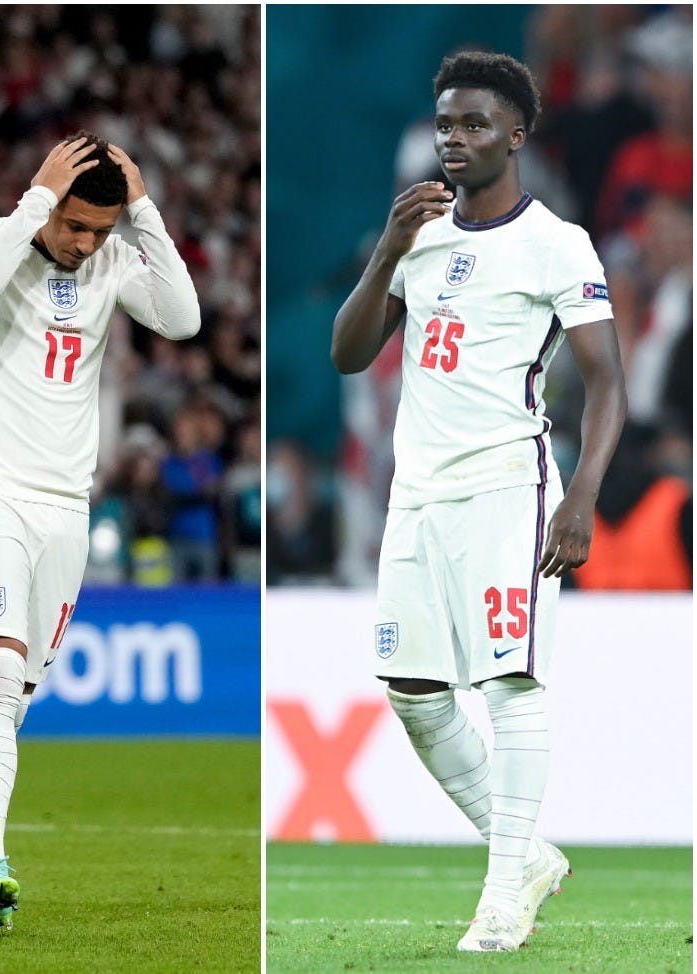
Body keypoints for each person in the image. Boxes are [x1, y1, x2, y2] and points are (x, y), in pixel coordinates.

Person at [331, 53, 627, 952]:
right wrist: (387, 249)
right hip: (417, 494)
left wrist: (579, 497)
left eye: (473, 125)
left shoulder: (557, 243)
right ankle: (528, 851)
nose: (453, 140)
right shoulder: (418, 237)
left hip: (510, 484)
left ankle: (504, 896)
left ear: (516, 136)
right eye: (445, 125)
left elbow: (606, 384)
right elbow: (348, 354)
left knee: (509, 680)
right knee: (414, 692)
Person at [0, 132, 200, 933]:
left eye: (99, 229)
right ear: (46, 199)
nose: (84, 242)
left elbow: (182, 318)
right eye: (75, 224)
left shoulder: (107, 260)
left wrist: (142, 210)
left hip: (67, 509)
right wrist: (33, 203)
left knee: (4, 713)